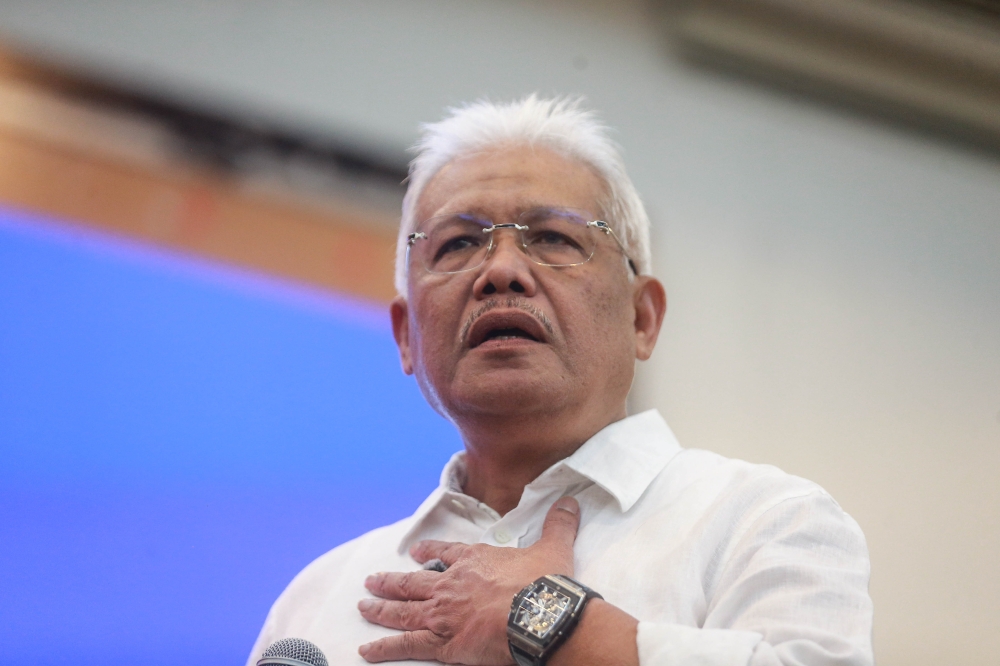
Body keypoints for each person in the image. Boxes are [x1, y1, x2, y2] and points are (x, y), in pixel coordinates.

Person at [247, 96, 873, 666]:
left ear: (642, 318)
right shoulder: (320, 600)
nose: (501, 271)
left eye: (552, 237)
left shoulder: (760, 523)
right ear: (407, 336)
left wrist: (552, 627)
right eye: (458, 244)